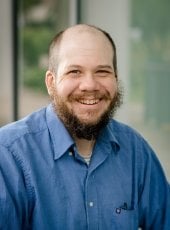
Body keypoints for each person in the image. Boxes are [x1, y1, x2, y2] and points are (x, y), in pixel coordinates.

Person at [0, 24, 169, 230]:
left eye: (102, 71)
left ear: (116, 79)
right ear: (51, 83)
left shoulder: (136, 151)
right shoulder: (8, 154)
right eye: (74, 71)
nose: (89, 85)